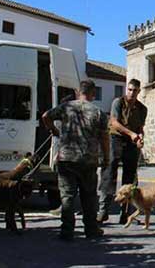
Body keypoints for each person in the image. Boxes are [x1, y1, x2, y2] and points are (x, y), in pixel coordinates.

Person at [42, 80, 109, 241]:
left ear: (79, 92)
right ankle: (91, 229)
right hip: (88, 160)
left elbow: (45, 116)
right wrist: (106, 157)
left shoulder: (66, 107)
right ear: (93, 93)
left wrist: (53, 130)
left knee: (67, 196)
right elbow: (104, 138)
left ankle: (67, 230)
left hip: (66, 158)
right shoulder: (98, 112)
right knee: (89, 196)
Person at [98, 78, 148, 224]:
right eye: (130, 89)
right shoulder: (118, 102)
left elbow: (140, 128)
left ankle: (125, 213)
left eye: (135, 90)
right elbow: (114, 122)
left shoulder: (142, 109)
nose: (132, 93)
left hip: (132, 143)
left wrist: (140, 138)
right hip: (116, 139)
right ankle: (103, 210)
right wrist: (131, 134)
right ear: (127, 89)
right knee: (109, 172)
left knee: (130, 177)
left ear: (139, 91)